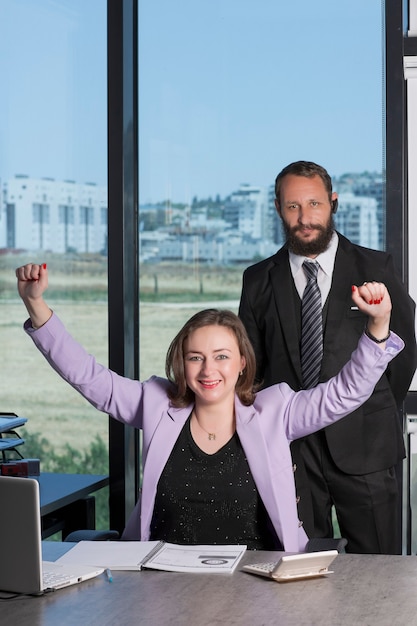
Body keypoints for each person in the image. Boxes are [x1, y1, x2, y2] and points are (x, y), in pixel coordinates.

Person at [16, 263, 403, 553]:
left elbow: (344, 393)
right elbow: (89, 378)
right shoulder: (156, 404)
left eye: (221, 356)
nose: (209, 370)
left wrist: (378, 327)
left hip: (257, 584)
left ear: (241, 364)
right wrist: (36, 304)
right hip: (160, 581)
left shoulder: (277, 411)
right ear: (181, 364)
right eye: (196, 358)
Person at [239, 160, 417, 554]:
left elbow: (402, 356)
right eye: (293, 207)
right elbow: (250, 369)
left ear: (333, 203)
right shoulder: (258, 280)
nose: (305, 217)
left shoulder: (376, 267)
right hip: (291, 451)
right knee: (298, 569)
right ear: (278, 209)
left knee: (378, 570)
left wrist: (374, 408)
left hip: (366, 445)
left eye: (315, 204)